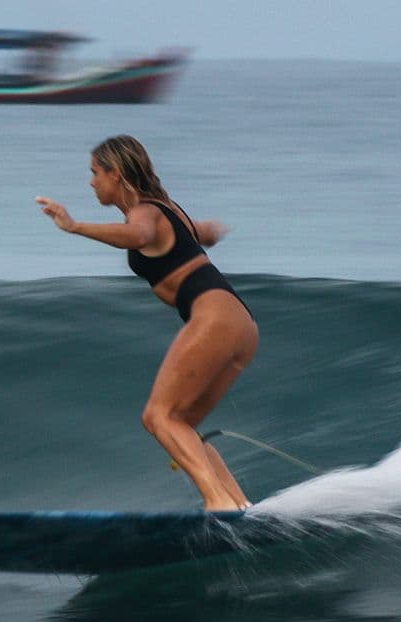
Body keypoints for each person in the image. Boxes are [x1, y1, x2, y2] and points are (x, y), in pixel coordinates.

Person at [36, 135, 258, 511]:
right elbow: (199, 233)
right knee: (182, 426)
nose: (91, 182)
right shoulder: (170, 209)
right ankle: (241, 507)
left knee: (158, 416)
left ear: (116, 173)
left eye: (95, 173)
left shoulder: (145, 213)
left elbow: (138, 235)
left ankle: (218, 502)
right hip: (241, 324)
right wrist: (211, 230)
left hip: (213, 315)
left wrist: (75, 226)